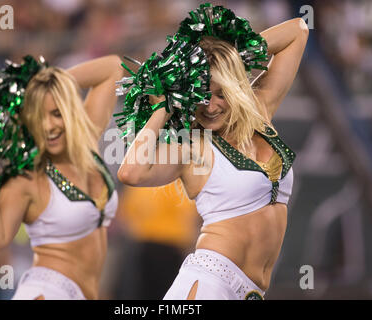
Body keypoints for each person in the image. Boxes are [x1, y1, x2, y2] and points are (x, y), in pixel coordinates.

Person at [117, 17, 309, 300]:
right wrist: (170, 100)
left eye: (221, 94)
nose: (211, 106)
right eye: (201, 96)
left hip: (252, 292)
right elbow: (130, 173)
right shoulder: (192, 145)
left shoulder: (260, 113)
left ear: (236, 88)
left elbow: (298, 31)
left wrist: (226, 57)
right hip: (209, 282)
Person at [0, 55, 124, 300]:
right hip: (45, 292)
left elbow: (113, 68)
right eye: (38, 116)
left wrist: (46, 86)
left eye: (56, 113)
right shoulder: (29, 178)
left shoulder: (87, 140)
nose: (48, 126)